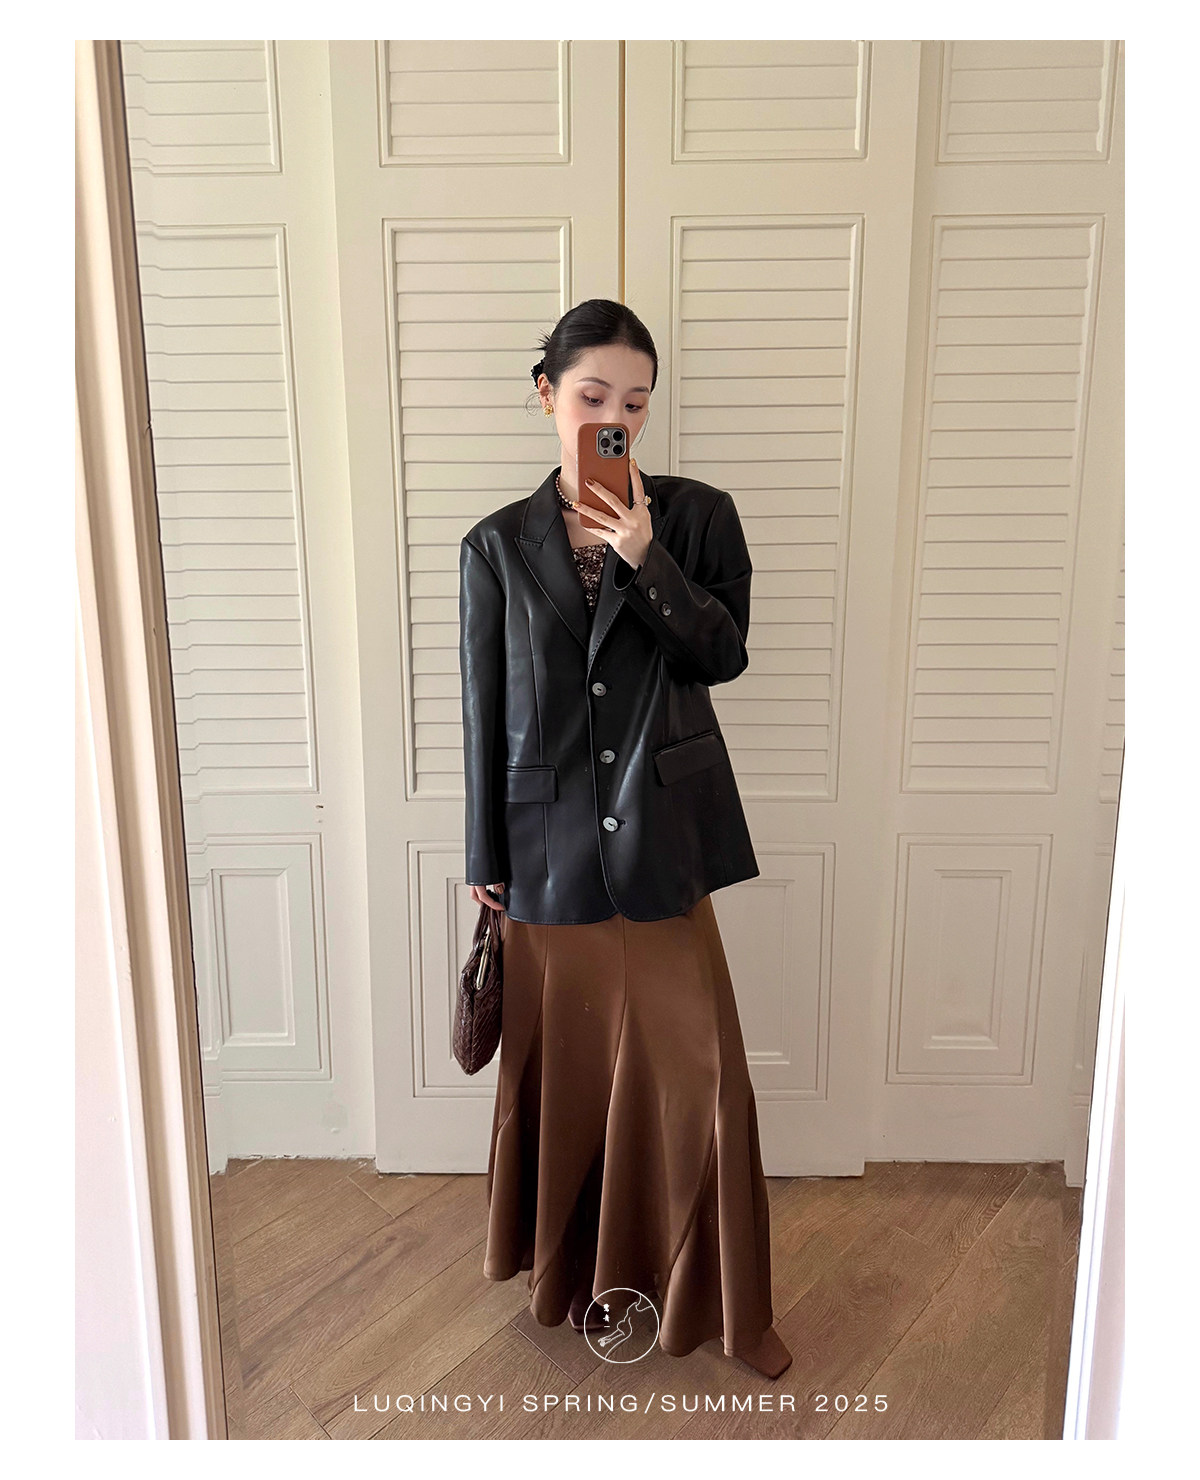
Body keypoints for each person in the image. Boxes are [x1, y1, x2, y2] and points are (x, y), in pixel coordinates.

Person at [459, 299, 792, 1380]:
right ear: (546, 394)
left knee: (701, 1079)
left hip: (662, 842)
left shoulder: (697, 517)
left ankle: (728, 1310)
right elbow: (483, 707)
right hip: (544, 850)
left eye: (635, 403)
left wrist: (647, 559)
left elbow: (721, 656)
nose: (614, 419)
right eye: (593, 395)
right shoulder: (494, 546)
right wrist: (483, 855)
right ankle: (573, 1285)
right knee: (564, 1082)